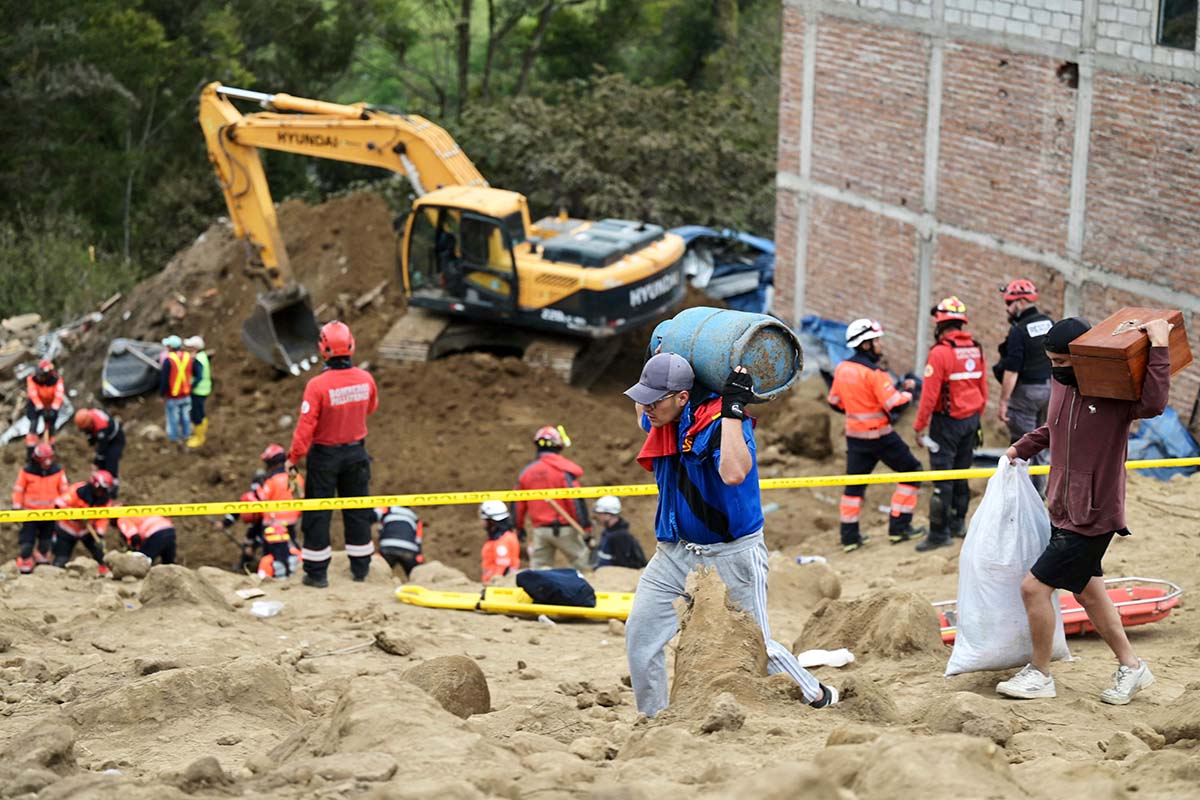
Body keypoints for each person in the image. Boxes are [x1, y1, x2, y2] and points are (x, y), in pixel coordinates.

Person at [624, 353, 836, 717]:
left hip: (731, 555)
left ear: (682, 398)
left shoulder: (722, 424)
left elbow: (734, 472)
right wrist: (657, 364)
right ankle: (654, 720)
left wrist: (734, 410)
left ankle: (817, 694)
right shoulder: (663, 418)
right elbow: (645, 412)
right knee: (640, 637)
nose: (645, 409)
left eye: (654, 399)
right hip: (675, 553)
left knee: (754, 646)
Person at [997, 317, 1171, 705]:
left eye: (1062, 361)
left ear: (1083, 356)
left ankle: (1040, 673)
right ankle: (1132, 666)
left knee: (1033, 588)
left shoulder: (1113, 389)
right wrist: (1022, 446)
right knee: (1090, 593)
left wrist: (1159, 347)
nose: (1056, 370)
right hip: (1061, 506)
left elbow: (1155, 404)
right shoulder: (1061, 384)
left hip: (1094, 513)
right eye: (1051, 361)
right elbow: (1055, 428)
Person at [287, 321, 378, 588]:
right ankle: (361, 569)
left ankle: (316, 574)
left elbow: (305, 428)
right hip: (356, 453)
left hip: (325, 456)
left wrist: (293, 458)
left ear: (323, 348)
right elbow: (370, 407)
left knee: (318, 513)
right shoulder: (365, 379)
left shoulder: (317, 386)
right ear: (351, 345)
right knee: (358, 510)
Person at [827, 319, 925, 552]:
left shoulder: (842, 369)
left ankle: (849, 538)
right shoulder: (875, 373)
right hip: (881, 438)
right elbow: (896, 405)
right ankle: (899, 529)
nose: (880, 344)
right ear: (865, 344)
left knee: (854, 487)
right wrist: (910, 389)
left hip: (855, 438)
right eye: (877, 340)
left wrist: (857, 409)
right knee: (912, 471)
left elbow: (834, 402)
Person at [912, 297, 988, 551]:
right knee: (962, 473)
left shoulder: (940, 353)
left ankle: (938, 534)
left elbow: (929, 396)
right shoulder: (975, 348)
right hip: (971, 420)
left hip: (946, 425)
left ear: (939, 325)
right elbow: (983, 388)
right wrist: (977, 416)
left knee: (942, 477)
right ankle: (958, 524)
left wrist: (919, 426)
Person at [995, 280, 1055, 493]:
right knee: (1042, 443)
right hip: (1050, 390)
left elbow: (1012, 370)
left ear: (1021, 302)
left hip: (1026, 393)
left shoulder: (1018, 331)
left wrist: (1003, 402)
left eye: (1009, 303)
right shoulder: (1048, 322)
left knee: (1021, 446)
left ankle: (1021, 495)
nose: (1007, 308)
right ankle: (1039, 492)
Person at [515, 426, 591, 570]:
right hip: (565, 529)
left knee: (538, 572)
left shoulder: (526, 473)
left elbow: (518, 503)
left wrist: (519, 527)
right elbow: (574, 501)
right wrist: (585, 526)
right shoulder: (564, 471)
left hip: (540, 532)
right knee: (583, 566)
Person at [11, 444, 68, 573]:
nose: (47, 463)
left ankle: (42, 563)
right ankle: (25, 563)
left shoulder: (57, 471)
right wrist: (16, 507)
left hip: (50, 513)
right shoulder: (27, 471)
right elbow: (18, 490)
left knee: (46, 543)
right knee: (26, 544)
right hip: (30, 513)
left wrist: (62, 507)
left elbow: (64, 490)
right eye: (44, 460)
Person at [53, 469, 116, 575]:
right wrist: (75, 515)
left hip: (87, 530)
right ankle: (57, 573)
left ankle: (104, 572)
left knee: (99, 552)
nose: (102, 493)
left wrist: (99, 534)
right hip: (67, 529)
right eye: (101, 490)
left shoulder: (105, 500)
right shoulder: (77, 491)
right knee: (61, 557)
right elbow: (59, 505)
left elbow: (103, 518)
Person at [74, 408, 126, 498]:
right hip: (105, 437)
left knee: (110, 461)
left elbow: (102, 449)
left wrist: (96, 462)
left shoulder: (101, 427)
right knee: (102, 462)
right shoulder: (89, 416)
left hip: (115, 440)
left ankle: (113, 488)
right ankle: (98, 485)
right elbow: (90, 434)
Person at [223, 471, 267, 573]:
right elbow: (235, 511)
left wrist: (254, 544)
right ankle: (244, 565)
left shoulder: (267, 497)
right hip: (255, 526)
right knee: (248, 543)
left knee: (265, 544)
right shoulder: (248, 497)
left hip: (267, 526)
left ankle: (265, 568)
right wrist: (225, 523)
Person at [590, 495, 647, 569]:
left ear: (608, 514)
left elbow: (622, 567)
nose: (598, 517)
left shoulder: (620, 536)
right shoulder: (608, 532)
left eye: (600, 514)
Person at [159, 335, 196, 445]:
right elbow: (193, 373)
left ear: (171, 347)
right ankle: (186, 435)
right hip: (186, 393)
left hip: (173, 396)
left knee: (173, 418)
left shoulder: (169, 361)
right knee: (185, 416)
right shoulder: (188, 357)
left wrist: (162, 394)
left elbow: (164, 380)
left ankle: (174, 438)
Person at [24, 360, 65, 456]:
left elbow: (59, 395)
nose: (39, 377)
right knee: (33, 423)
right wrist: (40, 408)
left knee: (51, 426)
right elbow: (33, 393)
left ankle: (51, 448)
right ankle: (30, 450)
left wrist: (54, 409)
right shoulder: (32, 379)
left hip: (51, 405)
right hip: (35, 404)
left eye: (41, 376)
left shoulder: (57, 380)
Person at [374, 506, 424, 577]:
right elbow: (418, 539)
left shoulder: (388, 510)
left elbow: (373, 516)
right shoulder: (414, 517)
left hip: (388, 547)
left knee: (380, 574)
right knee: (416, 575)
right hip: (409, 549)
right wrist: (419, 554)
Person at [479, 500, 521, 584]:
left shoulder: (502, 541)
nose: (481, 522)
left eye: (483, 519)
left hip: (497, 587)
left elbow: (503, 568)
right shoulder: (505, 537)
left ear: (491, 521)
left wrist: (493, 585)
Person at [185, 335, 213, 448]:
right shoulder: (203, 356)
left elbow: (199, 376)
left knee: (196, 415)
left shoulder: (197, 360)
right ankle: (202, 431)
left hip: (198, 391)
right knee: (200, 412)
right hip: (204, 389)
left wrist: (190, 387)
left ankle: (199, 437)